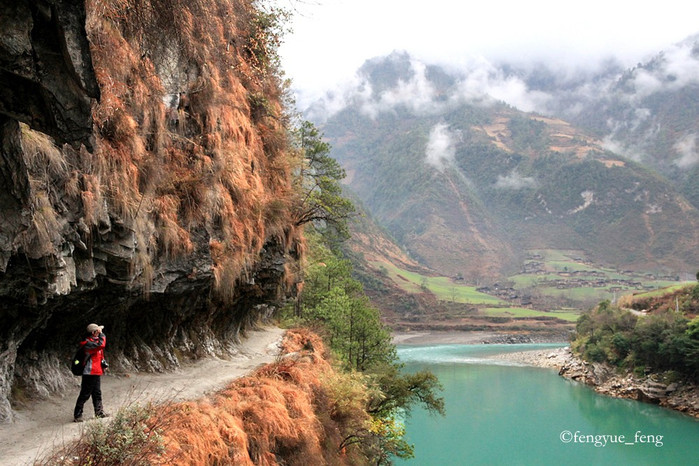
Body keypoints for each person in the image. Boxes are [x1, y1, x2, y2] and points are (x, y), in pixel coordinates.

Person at [73, 323, 109, 422]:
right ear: (93, 332)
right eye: (98, 331)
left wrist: (103, 365)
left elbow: (100, 353)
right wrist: (102, 335)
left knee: (97, 393)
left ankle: (99, 412)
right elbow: (101, 345)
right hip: (89, 372)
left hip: (96, 371)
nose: (99, 333)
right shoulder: (88, 343)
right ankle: (77, 414)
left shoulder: (94, 342)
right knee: (85, 393)